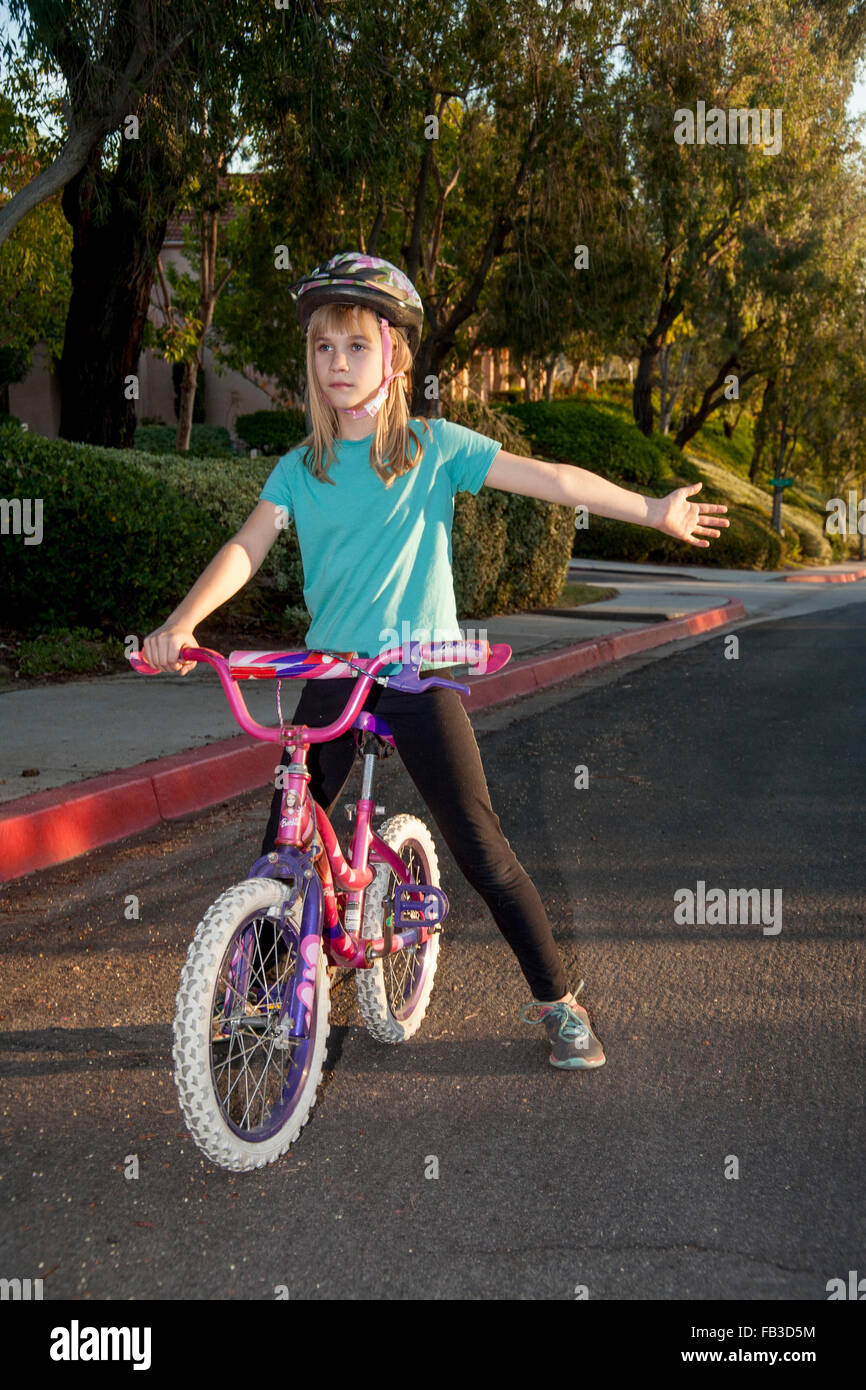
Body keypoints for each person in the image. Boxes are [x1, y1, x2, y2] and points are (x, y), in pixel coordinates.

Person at [142, 251, 728, 1070]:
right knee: (285, 835)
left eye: (355, 346)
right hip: (332, 675)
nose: (338, 364)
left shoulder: (432, 447)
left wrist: (651, 509)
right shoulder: (299, 468)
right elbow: (247, 545)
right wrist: (181, 625)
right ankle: (257, 994)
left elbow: (553, 479)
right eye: (322, 349)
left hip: (418, 671)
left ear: (395, 355)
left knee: (480, 843)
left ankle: (557, 999)